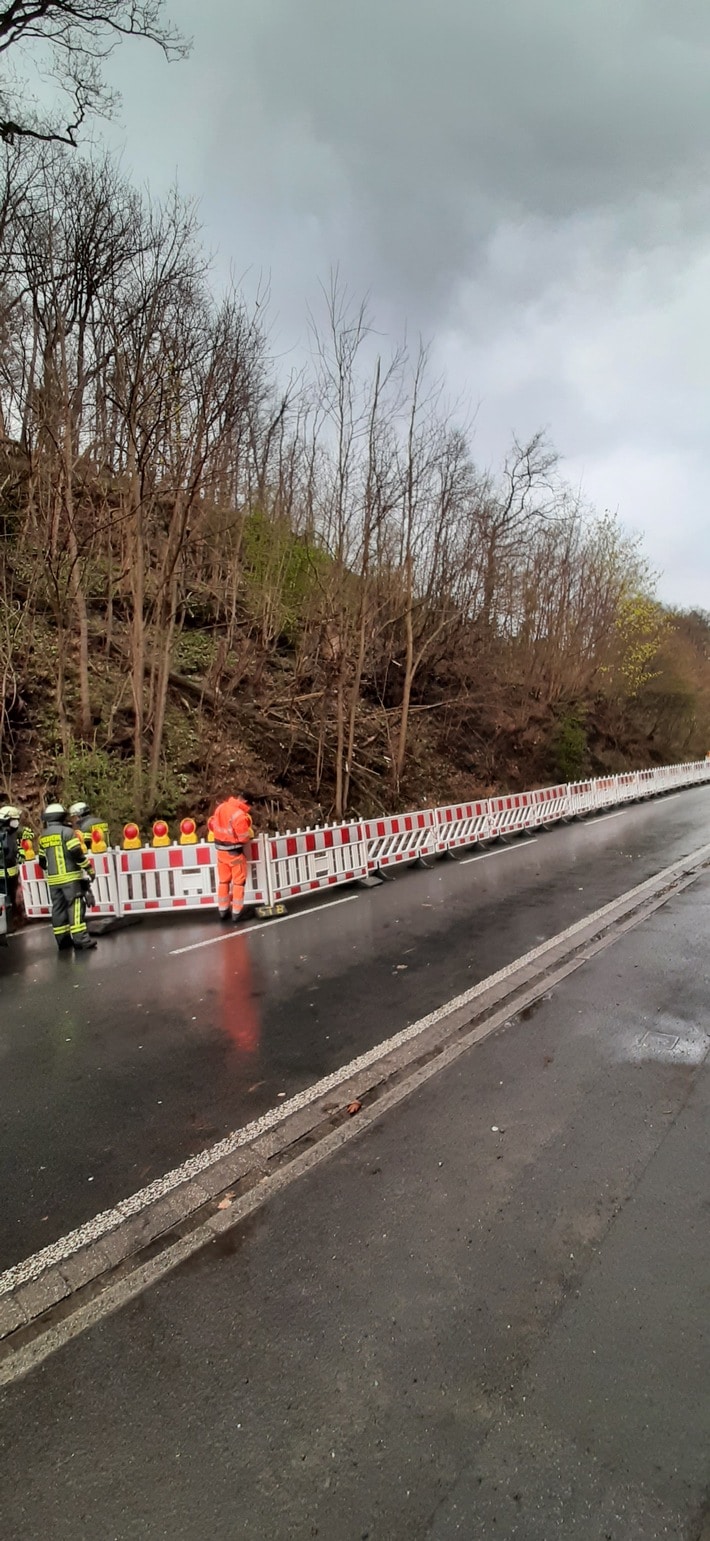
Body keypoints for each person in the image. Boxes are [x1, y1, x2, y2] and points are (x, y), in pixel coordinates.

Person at [37, 803, 97, 952]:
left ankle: (63, 941)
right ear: (62, 816)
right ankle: (81, 940)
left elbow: (42, 861)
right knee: (75, 907)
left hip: (53, 880)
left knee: (58, 909)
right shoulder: (68, 832)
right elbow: (76, 853)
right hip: (70, 879)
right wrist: (88, 868)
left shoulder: (43, 837)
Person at [210, 794, 254, 922]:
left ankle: (223, 910)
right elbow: (244, 838)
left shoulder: (220, 808)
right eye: (249, 805)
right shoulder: (239, 815)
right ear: (245, 801)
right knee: (239, 882)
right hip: (234, 852)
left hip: (220, 852)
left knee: (224, 881)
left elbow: (214, 826)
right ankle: (237, 912)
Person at [0, 804, 21, 930]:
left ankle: (11, 922)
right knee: (5, 901)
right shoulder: (3, 835)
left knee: (9, 900)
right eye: (14, 819)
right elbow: (6, 855)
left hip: (9, 876)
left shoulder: (9, 834)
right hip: (3, 877)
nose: (16, 822)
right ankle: (7, 926)